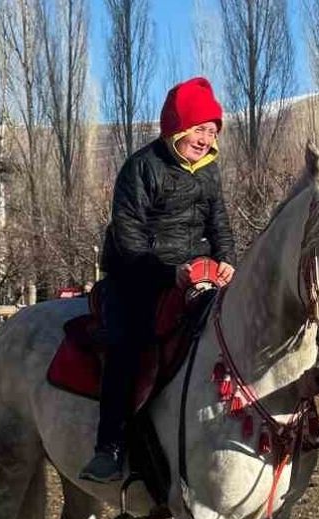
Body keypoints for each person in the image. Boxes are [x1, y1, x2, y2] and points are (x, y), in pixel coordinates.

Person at [80, 76, 237, 483]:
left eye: (211, 131)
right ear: (177, 129)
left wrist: (226, 258)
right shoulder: (141, 167)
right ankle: (109, 446)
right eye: (199, 129)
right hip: (137, 274)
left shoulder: (209, 171)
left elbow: (218, 221)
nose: (205, 139)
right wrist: (169, 272)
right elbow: (128, 235)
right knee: (126, 345)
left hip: (193, 273)